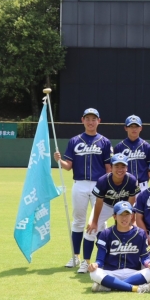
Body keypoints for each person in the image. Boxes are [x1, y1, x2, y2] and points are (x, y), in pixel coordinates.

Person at [54, 107, 112, 273]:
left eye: (94, 119)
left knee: (99, 222)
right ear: (82, 120)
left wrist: (107, 186)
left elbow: (109, 168)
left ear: (99, 121)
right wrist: (59, 160)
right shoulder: (74, 140)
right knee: (78, 221)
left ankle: (101, 258)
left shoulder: (104, 142)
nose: (90, 122)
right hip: (79, 183)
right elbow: (68, 166)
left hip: (99, 185)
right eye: (88, 119)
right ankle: (75, 256)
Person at [83, 153, 140, 268]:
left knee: (130, 231)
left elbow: (132, 201)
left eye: (123, 166)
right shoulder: (103, 180)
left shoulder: (131, 180)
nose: (120, 169)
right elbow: (99, 202)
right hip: (106, 206)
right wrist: (94, 221)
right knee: (90, 230)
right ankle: (86, 262)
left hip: (124, 207)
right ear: (111, 167)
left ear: (126, 168)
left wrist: (131, 219)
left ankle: (130, 261)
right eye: (116, 166)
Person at [88, 201, 150, 293]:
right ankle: (136, 288)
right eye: (121, 215)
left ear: (131, 216)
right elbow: (100, 260)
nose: (124, 218)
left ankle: (110, 286)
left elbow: (145, 258)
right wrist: (95, 265)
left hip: (133, 273)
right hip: (111, 273)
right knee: (94, 272)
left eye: (127, 214)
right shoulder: (105, 233)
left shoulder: (140, 233)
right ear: (114, 216)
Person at [113, 115, 150, 190]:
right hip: (125, 185)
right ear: (126, 128)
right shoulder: (119, 147)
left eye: (136, 126)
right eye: (131, 126)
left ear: (141, 128)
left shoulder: (147, 147)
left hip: (143, 185)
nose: (134, 129)